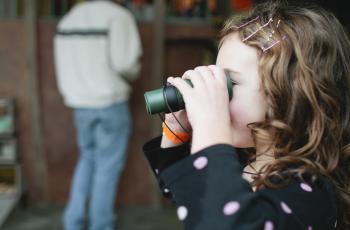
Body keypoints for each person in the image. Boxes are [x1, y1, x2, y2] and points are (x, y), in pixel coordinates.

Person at [143, 1, 350, 229]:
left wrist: (211, 129)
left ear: (290, 95)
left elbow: (227, 221)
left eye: (229, 83)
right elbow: (186, 192)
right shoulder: (243, 159)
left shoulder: (310, 191)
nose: (219, 95)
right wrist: (177, 131)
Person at [53, 0, 142, 229]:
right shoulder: (117, 16)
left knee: (87, 157)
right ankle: (100, 224)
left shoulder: (69, 18)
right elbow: (126, 64)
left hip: (79, 103)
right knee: (108, 166)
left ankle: (72, 221)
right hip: (110, 101)